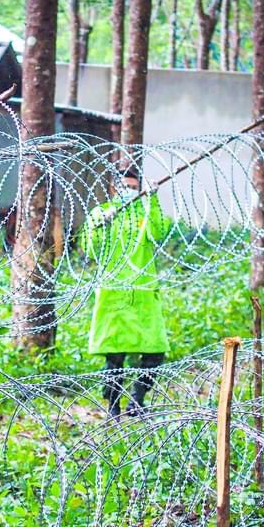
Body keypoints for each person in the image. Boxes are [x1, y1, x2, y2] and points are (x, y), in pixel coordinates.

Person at [79, 168, 169, 418]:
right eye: (123, 187)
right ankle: (113, 407)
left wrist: (152, 199)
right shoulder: (101, 212)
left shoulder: (145, 212)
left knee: (154, 350)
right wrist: (100, 225)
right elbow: (89, 247)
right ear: (113, 188)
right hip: (113, 293)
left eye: (133, 187)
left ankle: (137, 400)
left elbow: (159, 232)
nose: (128, 191)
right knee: (114, 355)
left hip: (143, 292)